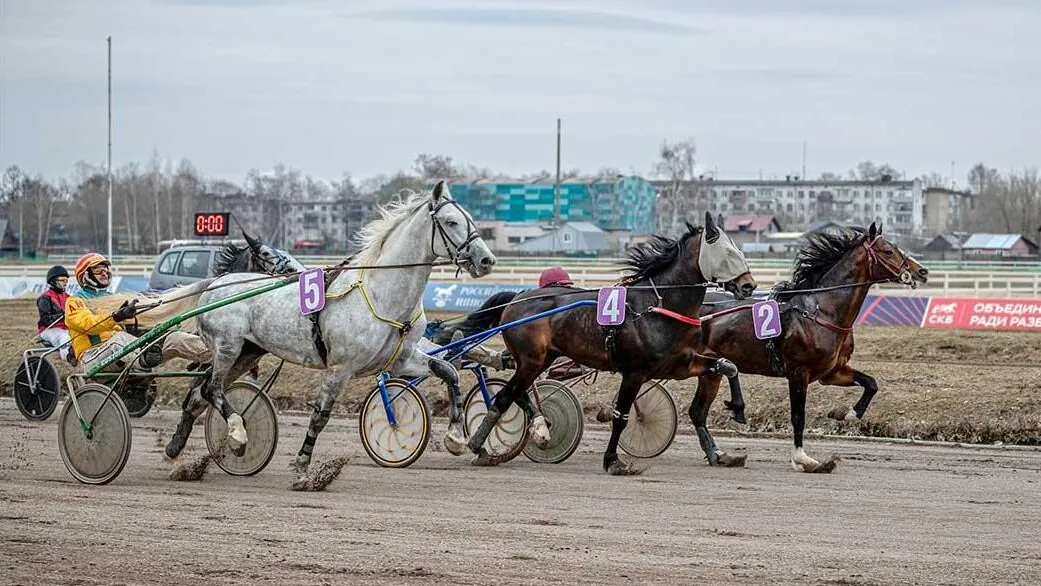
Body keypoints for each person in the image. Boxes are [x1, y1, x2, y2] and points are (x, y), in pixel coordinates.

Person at [64, 253, 212, 372]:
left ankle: (215, 356)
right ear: (85, 275)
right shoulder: (75, 301)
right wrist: (117, 316)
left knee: (175, 338)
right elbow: (88, 324)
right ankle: (144, 357)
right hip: (91, 357)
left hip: (123, 353)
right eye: (98, 270)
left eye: (106, 269)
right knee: (119, 340)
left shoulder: (111, 297)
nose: (104, 273)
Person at [36, 265, 72, 361]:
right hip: (49, 330)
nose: (65, 283)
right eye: (62, 280)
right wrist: (62, 316)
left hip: (65, 328)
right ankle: (68, 358)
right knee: (65, 338)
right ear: (53, 281)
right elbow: (45, 320)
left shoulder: (68, 297)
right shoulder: (45, 297)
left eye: (66, 280)